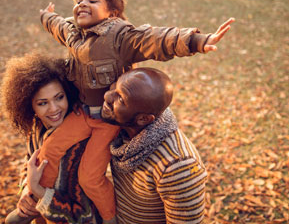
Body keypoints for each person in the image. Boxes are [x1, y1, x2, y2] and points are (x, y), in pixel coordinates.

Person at [37, 0, 234, 222]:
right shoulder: (73, 34)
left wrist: (196, 41)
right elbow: (57, 25)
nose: (82, 4)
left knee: (89, 175)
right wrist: (45, 15)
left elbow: (156, 39)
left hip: (107, 121)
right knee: (49, 149)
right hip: (81, 113)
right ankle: (36, 201)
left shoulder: (120, 37)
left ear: (112, 12)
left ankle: (107, 218)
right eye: (78, 0)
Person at [32, 67, 207, 223]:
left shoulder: (177, 165)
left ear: (144, 119)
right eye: (115, 87)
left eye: (121, 99)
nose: (107, 96)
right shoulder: (123, 127)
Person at [1, 52, 101, 224]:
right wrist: (25, 187)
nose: (54, 109)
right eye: (42, 103)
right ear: (29, 105)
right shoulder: (36, 127)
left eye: (59, 97)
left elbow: (83, 215)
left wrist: (39, 191)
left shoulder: (79, 143)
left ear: (68, 93)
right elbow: (30, 161)